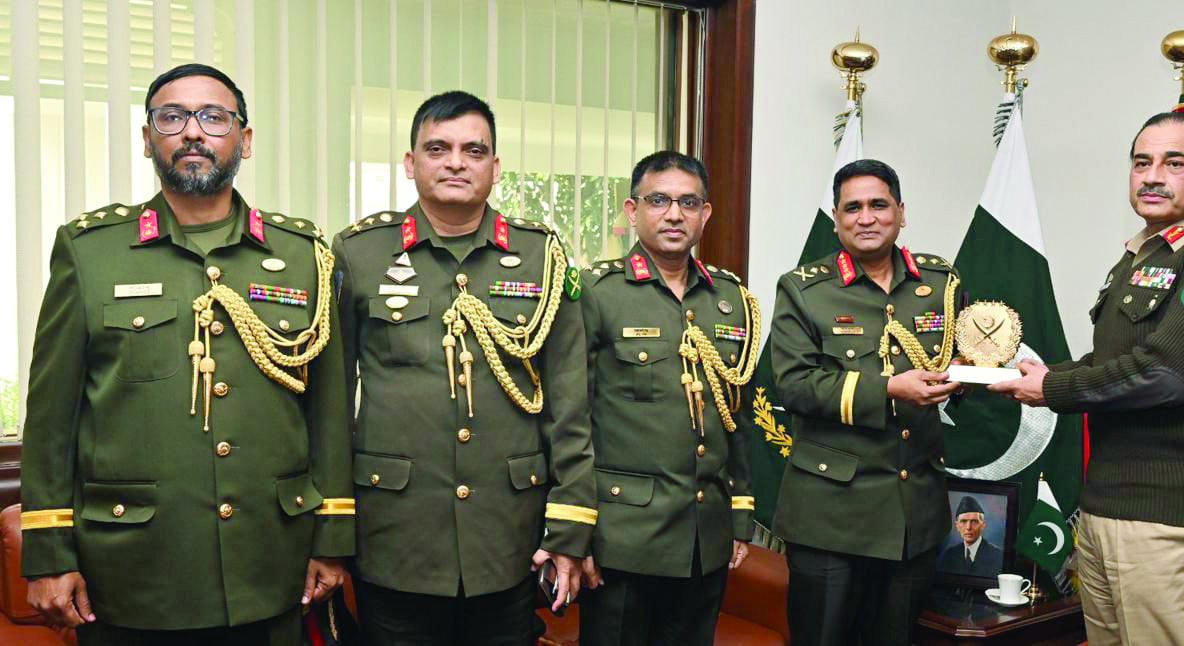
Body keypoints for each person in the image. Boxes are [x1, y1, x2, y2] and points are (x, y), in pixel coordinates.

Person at [20, 63, 353, 645]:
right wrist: (48, 552)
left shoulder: (304, 255)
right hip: (135, 574)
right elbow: (51, 419)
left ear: (244, 141)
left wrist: (332, 538)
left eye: (213, 117)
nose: (192, 131)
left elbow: (326, 409)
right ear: (148, 138)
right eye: (171, 117)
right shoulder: (90, 252)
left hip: (270, 564)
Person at [990, 112, 1184, 646]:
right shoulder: (1141, 258)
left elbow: (1166, 375)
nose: (1153, 176)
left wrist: (1050, 390)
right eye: (1142, 163)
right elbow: (1110, 359)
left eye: (1174, 162)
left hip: (1165, 521)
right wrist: (1038, 373)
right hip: (1105, 509)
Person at [333, 90, 597, 646]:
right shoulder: (360, 255)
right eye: (438, 147)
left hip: (509, 536)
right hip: (396, 536)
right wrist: (330, 532)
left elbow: (569, 401)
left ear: (494, 167)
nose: (456, 161)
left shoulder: (540, 256)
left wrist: (572, 524)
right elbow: (331, 404)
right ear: (411, 163)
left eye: (473, 150)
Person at [769, 159, 964, 646]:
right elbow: (793, 384)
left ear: (901, 212)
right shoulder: (804, 289)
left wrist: (965, 375)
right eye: (852, 207)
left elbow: (957, 359)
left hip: (912, 513)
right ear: (835, 219)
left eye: (879, 204)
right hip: (830, 515)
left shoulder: (940, 284)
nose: (867, 217)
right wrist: (889, 390)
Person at [576, 151, 760, 645]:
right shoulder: (598, 293)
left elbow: (736, 416)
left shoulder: (731, 299)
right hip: (622, 536)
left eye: (688, 202)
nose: (674, 214)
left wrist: (740, 511)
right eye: (658, 200)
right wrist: (575, 535)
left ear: (706, 213)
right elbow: (570, 420)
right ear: (632, 211)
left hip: (705, 534)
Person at [937, 496, 1003, 577]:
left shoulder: (997, 555)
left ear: (983, 526)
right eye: (963, 521)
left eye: (974, 522)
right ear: (957, 526)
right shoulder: (949, 555)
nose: (968, 527)